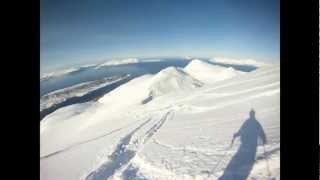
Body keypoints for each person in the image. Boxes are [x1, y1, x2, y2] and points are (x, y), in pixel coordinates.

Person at [219, 109, 267, 180]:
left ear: (252, 114)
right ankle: (242, 168)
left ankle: (242, 169)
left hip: (249, 143)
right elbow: (242, 130)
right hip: (248, 143)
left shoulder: (251, 123)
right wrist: (237, 134)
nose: (251, 115)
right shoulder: (253, 123)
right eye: (251, 114)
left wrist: (263, 138)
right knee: (247, 156)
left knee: (247, 156)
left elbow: (260, 132)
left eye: (251, 114)